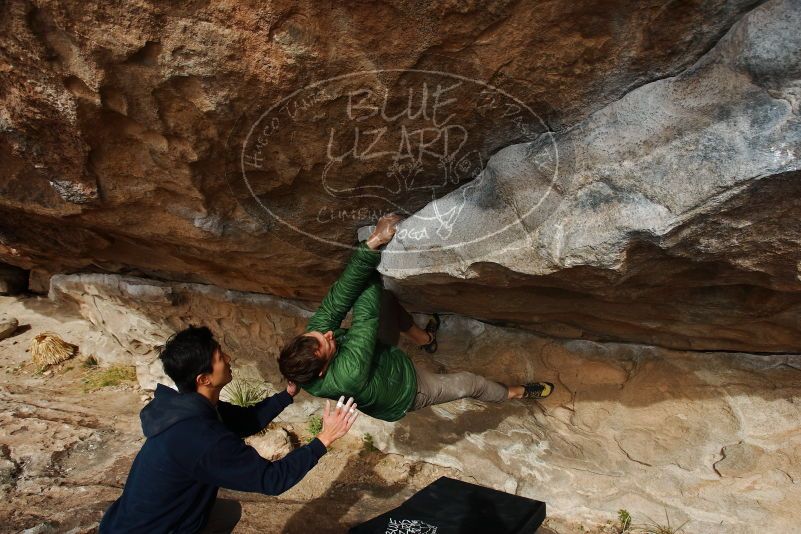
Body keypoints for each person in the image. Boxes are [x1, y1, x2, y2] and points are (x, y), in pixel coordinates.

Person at [278, 214, 554, 422]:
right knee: (471, 383)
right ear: (323, 370)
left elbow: (337, 299)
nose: (327, 334)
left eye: (319, 334)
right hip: (405, 390)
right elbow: (366, 317)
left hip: (377, 356)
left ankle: (425, 339)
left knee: (386, 301)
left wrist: (372, 244)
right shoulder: (347, 374)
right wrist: (370, 266)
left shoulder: (309, 350)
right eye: (327, 342)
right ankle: (514, 393)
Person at [100, 326, 358, 533]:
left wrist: (287, 395)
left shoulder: (186, 407)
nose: (229, 359)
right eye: (221, 358)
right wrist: (324, 438)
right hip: (150, 529)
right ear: (205, 379)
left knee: (227, 511)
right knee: (224, 513)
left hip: (133, 519)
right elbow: (271, 480)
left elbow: (245, 421)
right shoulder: (200, 438)